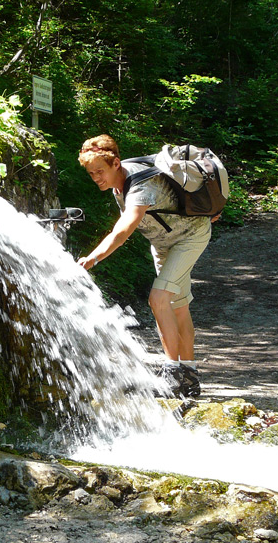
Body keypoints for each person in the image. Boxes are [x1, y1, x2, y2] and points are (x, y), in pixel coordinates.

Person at [76, 134, 218, 397]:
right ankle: (189, 376)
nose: (96, 178)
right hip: (164, 244)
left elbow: (122, 232)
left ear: (116, 163)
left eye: (100, 171)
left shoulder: (141, 186)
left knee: (158, 298)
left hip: (190, 237)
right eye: (91, 173)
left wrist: (92, 258)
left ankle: (171, 372)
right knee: (178, 306)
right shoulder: (119, 180)